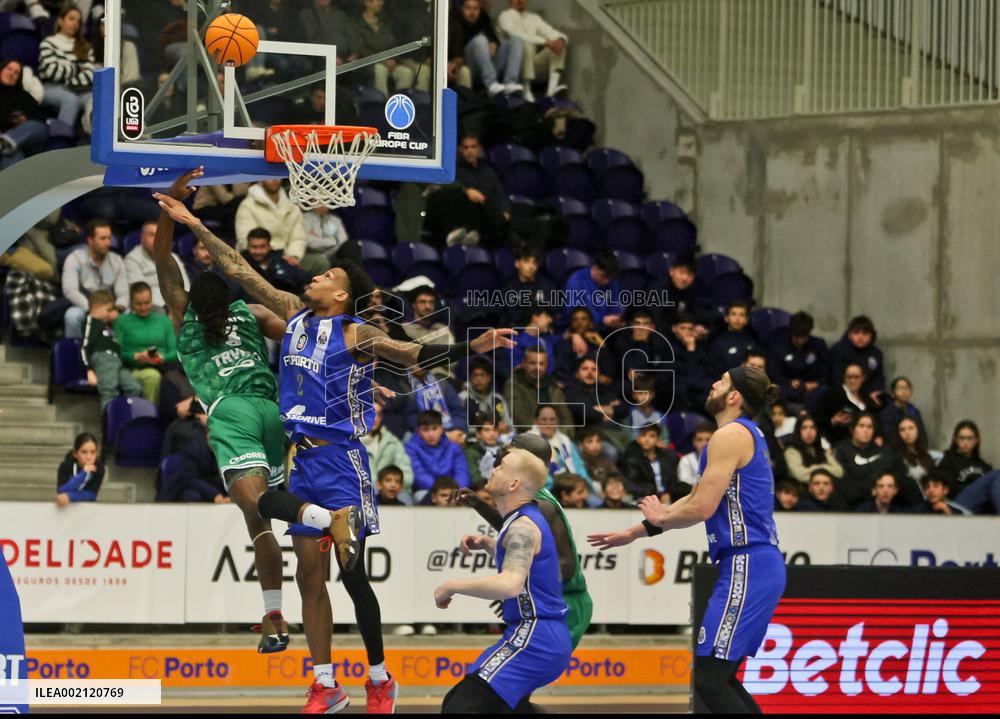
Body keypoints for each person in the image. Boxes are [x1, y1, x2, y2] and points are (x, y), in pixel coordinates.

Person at [160, 177, 516, 713]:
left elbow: (412, 355)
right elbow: (238, 269)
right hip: (299, 456)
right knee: (309, 573)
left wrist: (473, 345)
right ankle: (325, 683)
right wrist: (193, 224)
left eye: (327, 275)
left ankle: (379, 677)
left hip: (342, 460)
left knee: (352, 576)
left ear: (341, 295)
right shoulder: (291, 312)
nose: (317, 274)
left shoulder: (355, 334)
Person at [153, 169, 361, 662]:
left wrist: (169, 213)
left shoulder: (184, 320)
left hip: (233, 414)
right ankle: (272, 613)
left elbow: (162, 259)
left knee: (254, 505)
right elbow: (300, 334)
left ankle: (323, 517)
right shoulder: (248, 312)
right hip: (274, 413)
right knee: (257, 515)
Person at [588, 365, 786, 714]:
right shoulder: (741, 434)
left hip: (747, 563)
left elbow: (702, 508)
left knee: (710, 679)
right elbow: (692, 500)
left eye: (721, 381)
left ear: (734, 396)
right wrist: (635, 533)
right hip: (752, 564)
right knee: (720, 678)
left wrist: (660, 516)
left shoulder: (731, 436)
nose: (713, 383)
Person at [435, 448, 572, 713]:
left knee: (462, 706)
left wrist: (451, 586)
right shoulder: (522, 521)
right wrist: (490, 544)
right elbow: (530, 563)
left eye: (502, 466)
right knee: (503, 707)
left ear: (513, 484)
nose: (494, 468)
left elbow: (510, 584)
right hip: (543, 636)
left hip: (535, 636)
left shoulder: (522, 527)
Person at [450, 434, 593, 657]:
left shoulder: (543, 505)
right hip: (551, 601)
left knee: (519, 672)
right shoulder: (528, 498)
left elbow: (566, 566)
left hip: (566, 603)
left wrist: (520, 593)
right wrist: (477, 503)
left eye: (511, 453)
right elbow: (514, 529)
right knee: (516, 676)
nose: (504, 457)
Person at [424, 132, 510, 248]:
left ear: (479, 148)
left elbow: (500, 194)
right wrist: (466, 191)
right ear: (460, 149)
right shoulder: (453, 171)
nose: (470, 151)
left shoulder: (488, 171)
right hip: (466, 215)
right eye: (466, 147)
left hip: (488, 215)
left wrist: (505, 211)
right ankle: (459, 233)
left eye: (473, 147)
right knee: (449, 194)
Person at [62, 219, 129, 339]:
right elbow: (70, 290)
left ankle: (120, 353)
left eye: (109, 238)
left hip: (110, 307)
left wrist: (117, 310)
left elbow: (123, 292)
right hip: (84, 306)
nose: (108, 243)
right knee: (72, 316)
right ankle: (74, 353)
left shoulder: (117, 260)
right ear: (90, 240)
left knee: (129, 315)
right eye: (103, 238)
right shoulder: (74, 258)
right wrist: (92, 310)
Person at [114, 282, 178, 406]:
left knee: (173, 379)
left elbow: (175, 351)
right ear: (131, 302)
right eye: (139, 304)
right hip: (134, 368)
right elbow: (116, 352)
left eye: (147, 303)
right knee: (152, 376)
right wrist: (135, 356)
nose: (143, 307)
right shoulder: (121, 322)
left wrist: (162, 357)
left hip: (163, 367)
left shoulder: (164, 321)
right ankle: (149, 418)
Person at [496, 0, 569, 102]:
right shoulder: (505, 16)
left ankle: (551, 92)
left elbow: (552, 33)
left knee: (558, 47)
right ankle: (526, 88)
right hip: (512, 67)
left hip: (531, 66)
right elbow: (516, 34)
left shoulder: (533, 18)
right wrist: (545, 41)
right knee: (526, 44)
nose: (520, 0)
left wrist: (561, 40)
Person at [81, 289, 142, 410]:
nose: (110, 313)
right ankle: (109, 426)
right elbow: (85, 346)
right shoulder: (90, 321)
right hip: (103, 358)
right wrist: (89, 370)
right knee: (109, 394)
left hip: (117, 361)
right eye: (108, 310)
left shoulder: (108, 325)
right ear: (96, 308)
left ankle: (126, 418)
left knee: (135, 388)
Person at [38, 6, 95, 131]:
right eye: (71, 19)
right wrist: (77, 69)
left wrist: (68, 74)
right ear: (60, 21)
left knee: (97, 98)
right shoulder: (48, 43)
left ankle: (94, 139)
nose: (75, 23)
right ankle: (61, 141)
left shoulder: (85, 46)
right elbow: (51, 71)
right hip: (51, 87)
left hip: (79, 89)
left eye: (78, 21)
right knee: (69, 99)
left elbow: (91, 74)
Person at [451, 0, 523, 96]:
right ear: (461, 9)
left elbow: (494, 37)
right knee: (480, 40)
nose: (472, 12)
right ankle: (491, 83)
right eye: (468, 8)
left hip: (489, 62)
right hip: (470, 65)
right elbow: (456, 50)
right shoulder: (455, 21)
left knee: (516, 40)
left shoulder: (483, 18)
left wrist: (494, 44)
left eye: (476, 9)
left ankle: (510, 82)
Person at [832, 413, 900, 508]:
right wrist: (872, 483)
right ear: (852, 429)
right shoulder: (841, 451)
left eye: (869, 427)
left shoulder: (883, 450)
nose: (866, 430)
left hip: (880, 505)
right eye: (861, 426)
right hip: (851, 507)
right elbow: (848, 491)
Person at [234, 180, 307, 267]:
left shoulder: (292, 207)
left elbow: (298, 238)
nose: (274, 180)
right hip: (258, 258)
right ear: (260, 179)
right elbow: (246, 240)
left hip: (289, 257)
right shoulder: (247, 205)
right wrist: (276, 256)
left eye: (277, 177)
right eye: (270, 177)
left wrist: (293, 256)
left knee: (319, 262)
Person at [767, 311, 828, 408]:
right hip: (787, 388)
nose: (800, 340)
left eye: (804, 336)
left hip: (812, 388)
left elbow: (826, 372)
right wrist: (789, 382)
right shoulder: (779, 346)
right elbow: (773, 373)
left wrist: (815, 384)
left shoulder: (818, 345)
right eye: (797, 336)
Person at [353, 0, 415, 96]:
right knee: (380, 69)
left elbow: (393, 44)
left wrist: (393, 59)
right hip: (368, 64)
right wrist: (382, 61)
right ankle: (382, 104)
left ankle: (399, 105)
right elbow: (361, 49)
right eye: (378, 0)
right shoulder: (357, 24)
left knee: (406, 73)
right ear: (367, 3)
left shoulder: (384, 23)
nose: (381, 3)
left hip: (388, 63)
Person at [503, 346, 572, 431]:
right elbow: (517, 416)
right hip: (527, 436)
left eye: (541, 364)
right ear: (524, 363)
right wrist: (543, 432)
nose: (537, 368)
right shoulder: (514, 384)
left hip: (555, 437)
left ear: (546, 365)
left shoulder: (553, 386)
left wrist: (561, 435)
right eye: (532, 363)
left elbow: (566, 418)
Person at [124, 221, 190, 309]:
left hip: (177, 308)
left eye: (161, 235)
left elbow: (186, 287)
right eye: (152, 235)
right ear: (142, 238)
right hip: (149, 309)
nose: (157, 239)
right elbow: (140, 293)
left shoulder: (174, 257)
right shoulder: (132, 259)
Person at [406, 410, 472, 496]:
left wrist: (452, 492)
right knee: (420, 495)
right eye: (425, 430)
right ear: (418, 431)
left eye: (434, 428)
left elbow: (462, 474)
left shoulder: (454, 448)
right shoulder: (411, 448)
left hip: (454, 492)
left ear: (441, 429)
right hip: (427, 491)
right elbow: (419, 475)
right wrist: (441, 491)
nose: (430, 434)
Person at [0, 59, 49, 170]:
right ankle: (5, 143)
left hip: (25, 136)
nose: (12, 73)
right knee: (13, 153)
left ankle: (4, 143)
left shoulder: (23, 95)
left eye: (17, 72)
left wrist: (24, 120)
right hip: (9, 137)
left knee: (39, 126)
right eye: (9, 69)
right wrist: (10, 120)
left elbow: (41, 116)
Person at [621, 424, 687, 503]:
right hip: (644, 498)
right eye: (643, 435)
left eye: (651, 436)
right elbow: (631, 484)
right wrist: (655, 495)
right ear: (638, 438)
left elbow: (673, 481)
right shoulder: (632, 458)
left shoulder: (668, 457)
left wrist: (668, 493)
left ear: (658, 440)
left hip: (668, 497)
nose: (647, 439)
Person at [360, 403, 414, 499]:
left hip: (390, 491)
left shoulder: (391, 441)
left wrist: (393, 483)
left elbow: (407, 475)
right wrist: (375, 485)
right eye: (370, 413)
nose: (375, 419)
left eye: (379, 414)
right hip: (360, 490)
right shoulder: (350, 441)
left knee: (406, 498)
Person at [814, 363, 875, 444]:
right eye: (849, 377)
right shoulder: (833, 394)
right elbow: (815, 417)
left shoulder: (867, 396)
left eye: (856, 377)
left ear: (863, 378)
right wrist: (833, 421)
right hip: (839, 441)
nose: (852, 380)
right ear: (844, 378)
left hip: (865, 441)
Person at [528, 404, 591, 483]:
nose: (548, 423)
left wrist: (585, 484)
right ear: (536, 421)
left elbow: (579, 467)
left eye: (552, 419)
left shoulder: (565, 441)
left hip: (571, 484)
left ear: (557, 422)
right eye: (544, 419)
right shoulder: (528, 442)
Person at [829, 316, 886, 401]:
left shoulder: (876, 354)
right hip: (842, 395)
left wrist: (876, 391)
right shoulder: (839, 350)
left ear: (871, 335)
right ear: (849, 335)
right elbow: (836, 378)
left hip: (868, 395)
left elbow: (878, 377)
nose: (860, 337)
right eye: (856, 333)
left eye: (865, 333)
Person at [562, 251, 623, 329]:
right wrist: (601, 320)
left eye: (610, 277)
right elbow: (574, 312)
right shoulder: (577, 280)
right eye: (603, 276)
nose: (607, 281)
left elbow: (615, 308)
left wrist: (616, 319)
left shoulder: (613, 281)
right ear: (595, 267)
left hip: (607, 328)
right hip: (583, 328)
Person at [240, 227, 309, 295]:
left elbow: (302, 278)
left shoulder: (280, 261)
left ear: (269, 246)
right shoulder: (241, 265)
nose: (258, 252)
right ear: (248, 247)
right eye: (254, 247)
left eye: (262, 246)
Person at [890, 416, 939, 507]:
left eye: (911, 428)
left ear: (918, 430)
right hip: (910, 505)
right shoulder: (895, 458)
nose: (907, 433)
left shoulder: (926, 456)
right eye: (902, 430)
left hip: (931, 500)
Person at [783, 413, 844, 485]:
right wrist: (823, 468)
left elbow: (839, 471)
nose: (809, 432)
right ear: (798, 431)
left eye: (812, 428)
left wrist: (820, 468)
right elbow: (800, 476)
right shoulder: (791, 451)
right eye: (804, 428)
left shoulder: (820, 450)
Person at [459, 357, 513, 438]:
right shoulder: (462, 398)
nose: (478, 379)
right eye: (475, 375)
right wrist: (483, 431)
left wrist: (505, 428)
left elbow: (509, 425)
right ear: (470, 378)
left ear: (489, 378)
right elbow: (459, 426)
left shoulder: (498, 399)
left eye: (482, 375)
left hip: (497, 440)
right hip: (471, 440)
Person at [301, 206, 359, 276]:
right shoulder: (304, 218)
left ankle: (358, 279)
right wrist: (332, 241)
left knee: (353, 245)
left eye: (325, 201)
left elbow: (343, 241)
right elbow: (309, 242)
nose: (322, 205)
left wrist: (326, 247)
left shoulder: (335, 220)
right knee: (328, 262)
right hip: (312, 253)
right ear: (312, 201)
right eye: (319, 201)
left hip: (334, 253)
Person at [935, 420, 992, 492]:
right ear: (956, 440)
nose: (965, 442)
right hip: (961, 499)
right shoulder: (948, 461)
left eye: (969, 438)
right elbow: (951, 488)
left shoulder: (982, 464)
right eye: (962, 438)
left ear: (976, 440)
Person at [707, 301, 759, 378]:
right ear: (726, 318)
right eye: (733, 314)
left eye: (742, 315)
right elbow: (712, 370)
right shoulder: (718, 342)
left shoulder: (754, 340)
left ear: (746, 319)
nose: (737, 318)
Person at [55, 432, 103, 506]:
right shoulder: (65, 466)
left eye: (93, 452)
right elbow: (61, 491)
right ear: (75, 454)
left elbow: (92, 494)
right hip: (66, 507)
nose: (89, 457)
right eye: (84, 452)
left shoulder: (99, 467)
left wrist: (70, 496)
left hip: (87, 507)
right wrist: (83, 473)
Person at [465, 412, 502, 486]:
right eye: (486, 430)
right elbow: (475, 478)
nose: (492, 434)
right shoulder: (471, 452)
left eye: (494, 430)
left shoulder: (505, 450)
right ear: (478, 434)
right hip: (481, 490)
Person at [678, 421, 714, 487]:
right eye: (699, 440)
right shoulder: (686, 460)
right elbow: (684, 486)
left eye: (708, 439)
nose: (704, 444)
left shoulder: (721, 459)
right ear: (694, 442)